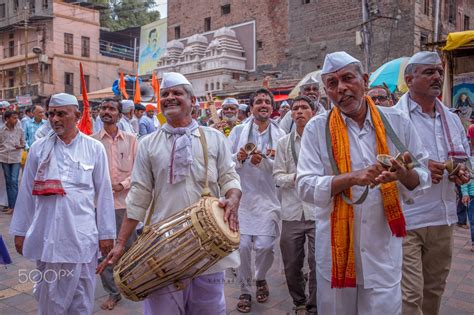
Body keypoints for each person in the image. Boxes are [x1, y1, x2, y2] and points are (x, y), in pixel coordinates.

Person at [296, 51, 430, 315]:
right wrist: (353, 177)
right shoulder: (317, 128)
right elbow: (305, 185)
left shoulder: (397, 123)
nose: (341, 88)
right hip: (335, 255)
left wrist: (402, 174)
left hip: (382, 253)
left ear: (365, 80)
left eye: (347, 78)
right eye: (332, 84)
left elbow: (421, 176)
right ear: (326, 91)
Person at [97, 72, 242, 314]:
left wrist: (234, 197)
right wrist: (121, 243)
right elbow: (139, 195)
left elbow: (230, 177)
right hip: (161, 247)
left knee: (208, 309)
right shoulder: (148, 143)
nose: (170, 98)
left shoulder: (214, 138)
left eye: (177, 93)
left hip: (209, 246)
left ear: (192, 101)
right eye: (165, 94)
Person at [9, 93, 116, 314]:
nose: (55, 119)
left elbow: (104, 193)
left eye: (61, 114)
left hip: (82, 239)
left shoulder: (94, 148)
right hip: (47, 236)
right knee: (49, 298)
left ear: (76, 115)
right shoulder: (39, 148)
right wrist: (20, 230)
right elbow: (26, 192)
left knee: (81, 299)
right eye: (51, 114)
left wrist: (107, 234)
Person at [394, 51, 471, 315]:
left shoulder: (451, 118)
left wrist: (462, 171)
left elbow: (466, 160)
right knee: (410, 294)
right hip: (408, 217)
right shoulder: (394, 119)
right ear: (409, 79)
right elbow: (383, 162)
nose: (437, 77)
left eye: (439, 71)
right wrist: (421, 168)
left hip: (442, 217)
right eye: (429, 72)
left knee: (435, 288)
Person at [228, 88, 285, 313]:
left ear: (272, 108)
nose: (263, 105)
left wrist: (269, 159)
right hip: (243, 197)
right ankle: (244, 289)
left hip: (268, 198)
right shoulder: (237, 132)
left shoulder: (281, 136)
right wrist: (239, 158)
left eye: (267, 102)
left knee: (265, 246)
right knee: (241, 246)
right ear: (251, 108)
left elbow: (283, 165)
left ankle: (260, 277)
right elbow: (226, 162)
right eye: (259, 102)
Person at [92, 97, 138, 310]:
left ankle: (133, 283)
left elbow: (140, 171)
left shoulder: (131, 140)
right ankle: (113, 292)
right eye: (103, 108)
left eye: (111, 108)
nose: (106, 111)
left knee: (129, 248)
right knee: (105, 249)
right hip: (99, 206)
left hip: (125, 205)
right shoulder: (91, 142)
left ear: (120, 115)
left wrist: (123, 184)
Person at [273, 95, 317, 315]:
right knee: (291, 264)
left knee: (318, 263)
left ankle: (314, 306)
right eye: (295, 108)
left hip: (318, 211)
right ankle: (299, 302)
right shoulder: (283, 143)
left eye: (304, 107)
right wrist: (296, 178)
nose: (299, 111)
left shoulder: (323, 140)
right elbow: (277, 176)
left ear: (313, 112)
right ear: (291, 114)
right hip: (291, 213)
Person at [0, 110, 25, 215]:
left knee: (14, 181)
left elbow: (23, 143)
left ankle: (14, 206)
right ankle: (11, 206)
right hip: (4, 158)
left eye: (17, 117)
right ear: (7, 119)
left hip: (15, 158)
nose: (16, 120)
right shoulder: (1, 130)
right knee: (8, 182)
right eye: (14, 117)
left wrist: (19, 146)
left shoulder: (20, 130)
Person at [460, 180, 474, 252]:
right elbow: (464, 180)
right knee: (473, 222)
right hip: (472, 197)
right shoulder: (470, 168)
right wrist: (465, 193)